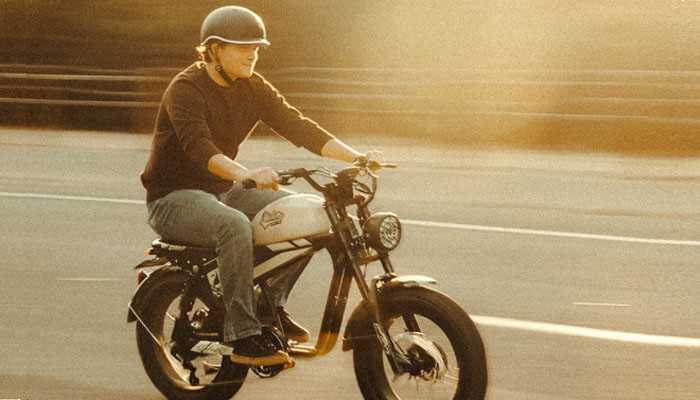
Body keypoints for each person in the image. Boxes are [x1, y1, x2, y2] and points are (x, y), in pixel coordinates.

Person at [140, 5, 380, 367]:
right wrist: (245, 173)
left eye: (256, 46)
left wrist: (357, 157)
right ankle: (243, 335)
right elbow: (199, 147)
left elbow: (296, 125)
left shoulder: (252, 86)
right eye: (242, 47)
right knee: (233, 226)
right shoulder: (186, 89)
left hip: (222, 191)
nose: (253, 53)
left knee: (309, 214)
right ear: (215, 49)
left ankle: (269, 306)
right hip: (173, 198)